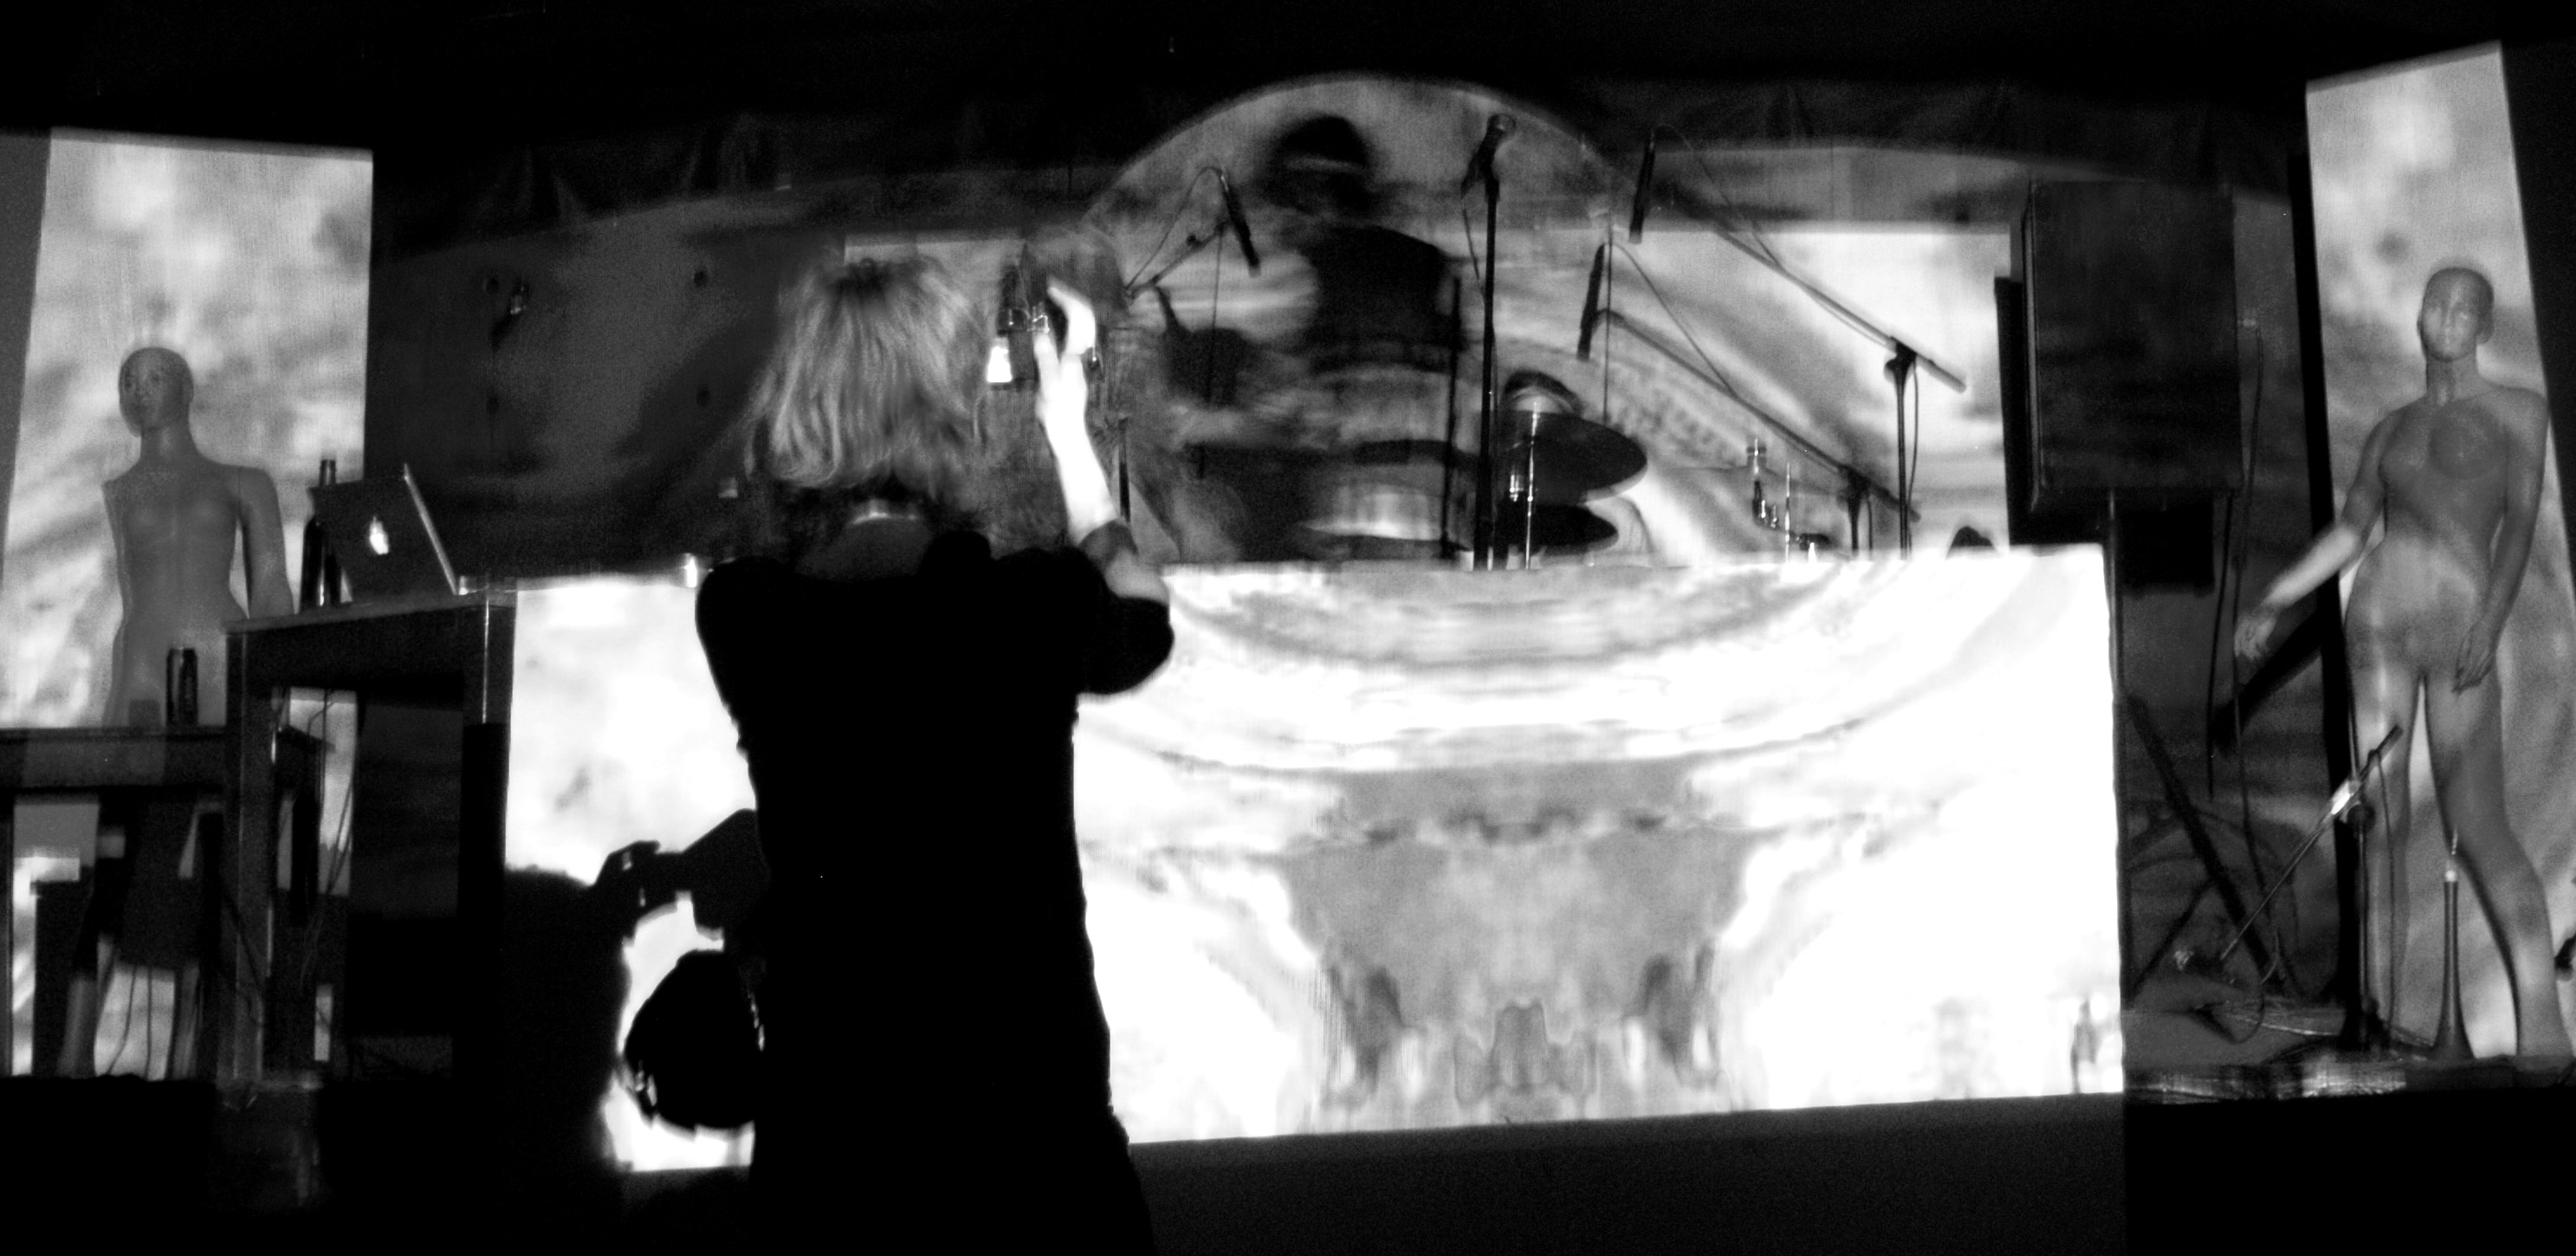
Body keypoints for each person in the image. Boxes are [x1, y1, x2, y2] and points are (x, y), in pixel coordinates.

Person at [696, 254, 1172, 1242]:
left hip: (836, 1131)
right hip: (1030, 1134)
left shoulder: (745, 615)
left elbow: (798, 562)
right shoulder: (1025, 607)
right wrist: (1066, 430)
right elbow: (1142, 616)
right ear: (949, 414)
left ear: (798, 413)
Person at [2236, 266, 2573, 1057]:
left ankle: (2543, 1027)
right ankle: (2389, 1021)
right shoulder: (2391, 428)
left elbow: (2520, 524)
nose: (2446, 317)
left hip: (2461, 627)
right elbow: (2351, 531)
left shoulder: (2518, 411)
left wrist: (2492, 620)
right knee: (2376, 822)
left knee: (2478, 823)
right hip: (2379, 621)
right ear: (2419, 319)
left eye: (2464, 308)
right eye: (2435, 304)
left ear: (2483, 326)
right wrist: (2277, 599)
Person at [100, 346, 293, 727]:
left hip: (220, 651)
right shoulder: (118, 491)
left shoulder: (245, 482)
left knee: (224, 761)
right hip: (142, 656)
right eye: (129, 382)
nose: (140, 391)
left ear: (186, 389)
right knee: (124, 761)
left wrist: (277, 669)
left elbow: (271, 587)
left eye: (155, 378)